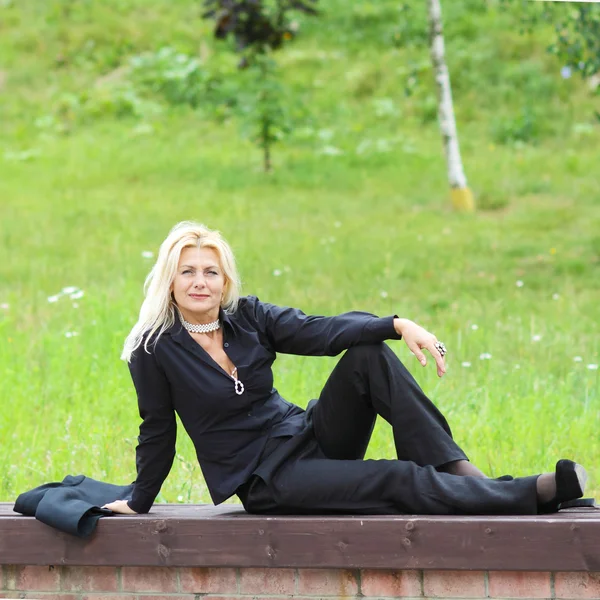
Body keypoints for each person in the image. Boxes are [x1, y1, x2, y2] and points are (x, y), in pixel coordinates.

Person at [102, 221, 587, 517]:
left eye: (210, 271)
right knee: (397, 478)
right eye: (187, 272)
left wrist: (395, 324)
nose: (200, 282)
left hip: (306, 435)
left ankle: (463, 471)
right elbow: (157, 430)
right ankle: (529, 495)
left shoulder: (247, 316)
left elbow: (322, 330)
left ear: (224, 279)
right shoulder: (153, 349)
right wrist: (140, 499)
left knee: (367, 356)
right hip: (270, 480)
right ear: (170, 282)